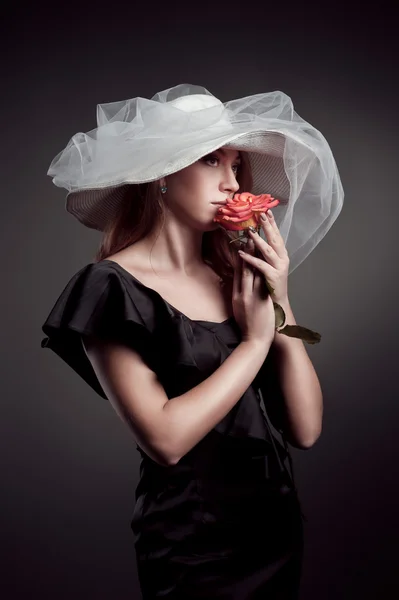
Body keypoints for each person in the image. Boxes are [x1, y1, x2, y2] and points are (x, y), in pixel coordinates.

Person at [41, 83, 344, 599]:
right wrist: (252, 343)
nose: (231, 183)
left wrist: (281, 301)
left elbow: (307, 429)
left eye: (235, 165)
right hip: (192, 545)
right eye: (210, 161)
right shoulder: (109, 289)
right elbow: (165, 440)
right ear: (162, 174)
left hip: (274, 528)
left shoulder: (233, 278)